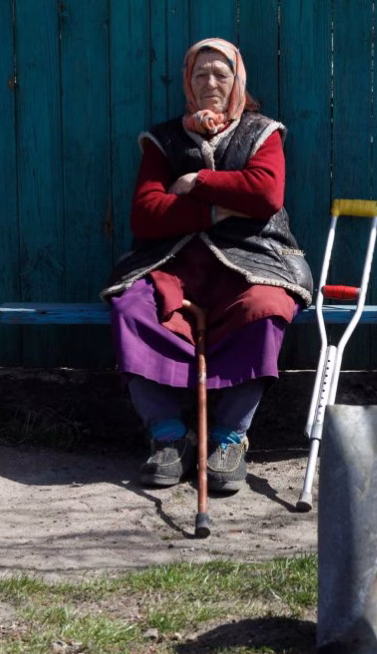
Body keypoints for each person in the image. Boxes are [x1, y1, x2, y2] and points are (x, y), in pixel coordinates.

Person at [100, 38, 313, 494]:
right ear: (188, 84)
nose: (211, 83)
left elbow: (266, 195)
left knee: (266, 306)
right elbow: (145, 213)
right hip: (173, 262)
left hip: (252, 259)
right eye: (201, 75)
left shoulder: (263, 133)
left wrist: (196, 181)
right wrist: (218, 210)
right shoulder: (164, 139)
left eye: (221, 73)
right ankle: (168, 436)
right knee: (132, 308)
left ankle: (230, 437)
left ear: (239, 80)